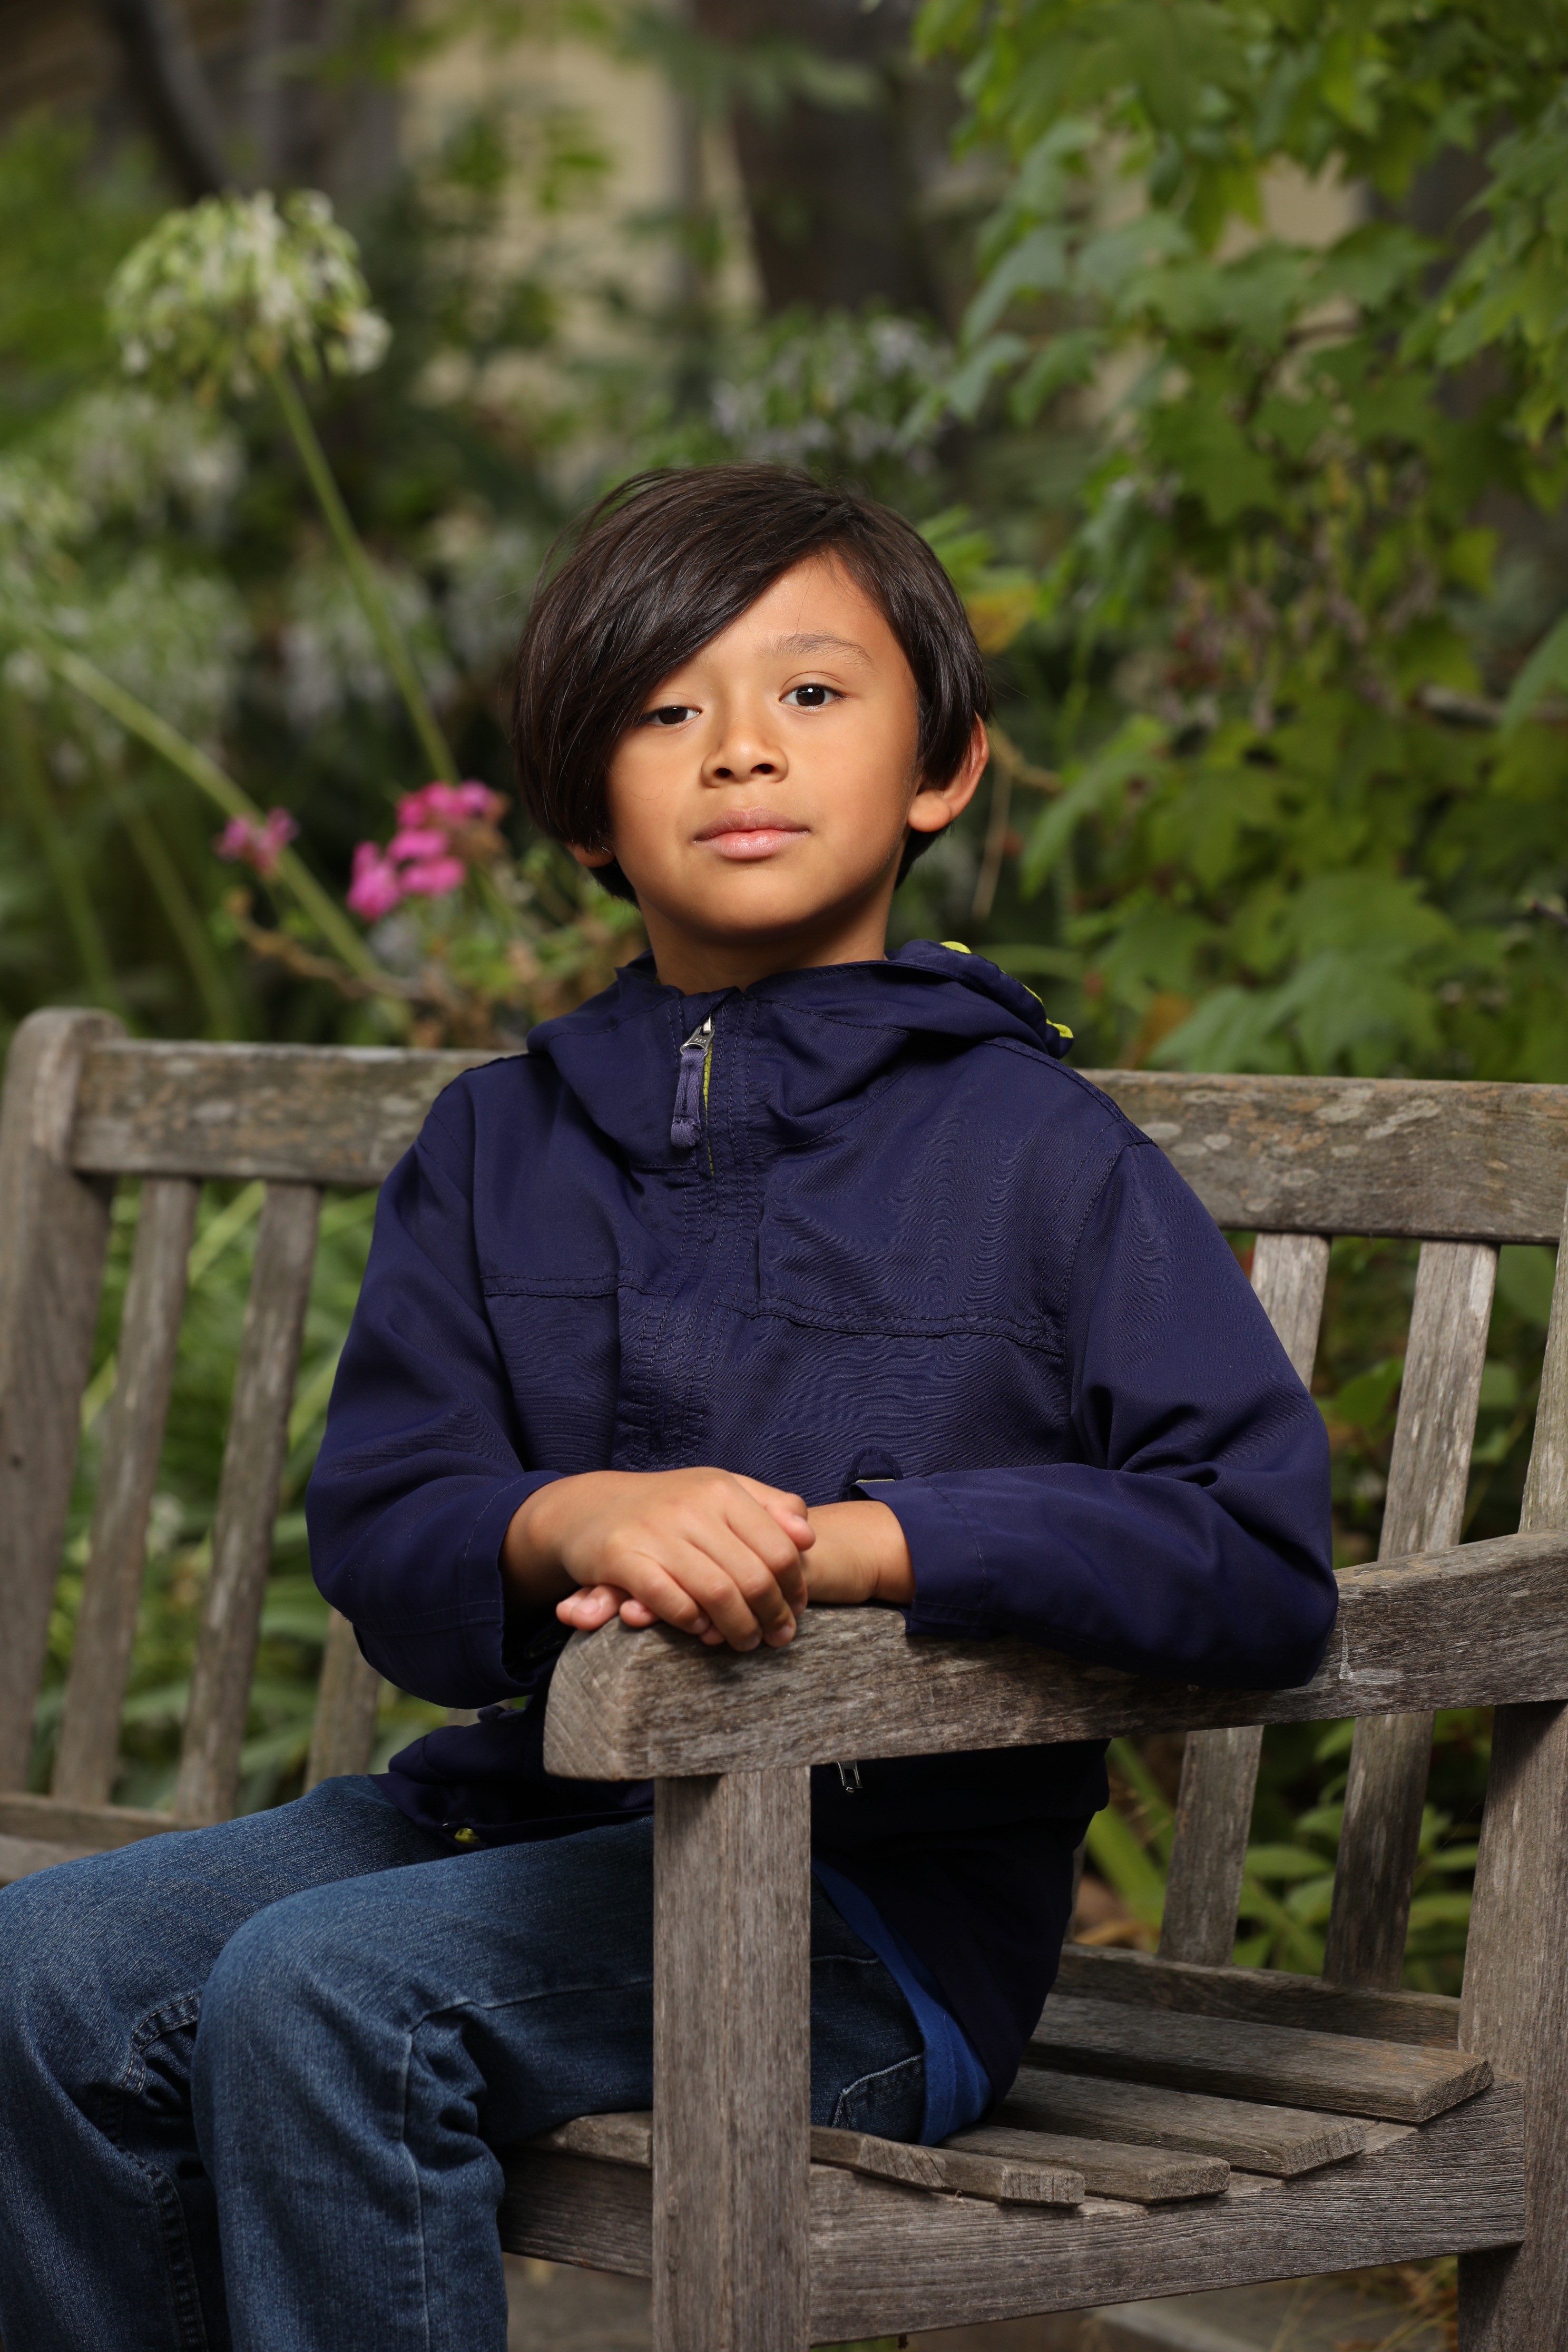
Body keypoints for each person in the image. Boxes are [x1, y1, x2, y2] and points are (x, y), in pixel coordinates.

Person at [0, 465, 1335, 2352]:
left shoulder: (1043, 1158)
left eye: (812, 692)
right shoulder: (499, 1145)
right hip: (517, 1827)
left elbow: (1255, 1550)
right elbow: (389, 1514)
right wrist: (564, 1517)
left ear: (944, 767)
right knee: (40, 1970)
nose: (739, 750)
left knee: (328, 2000)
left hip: (869, 1926)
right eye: (663, 709)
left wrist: (860, 1547)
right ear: (583, 804)